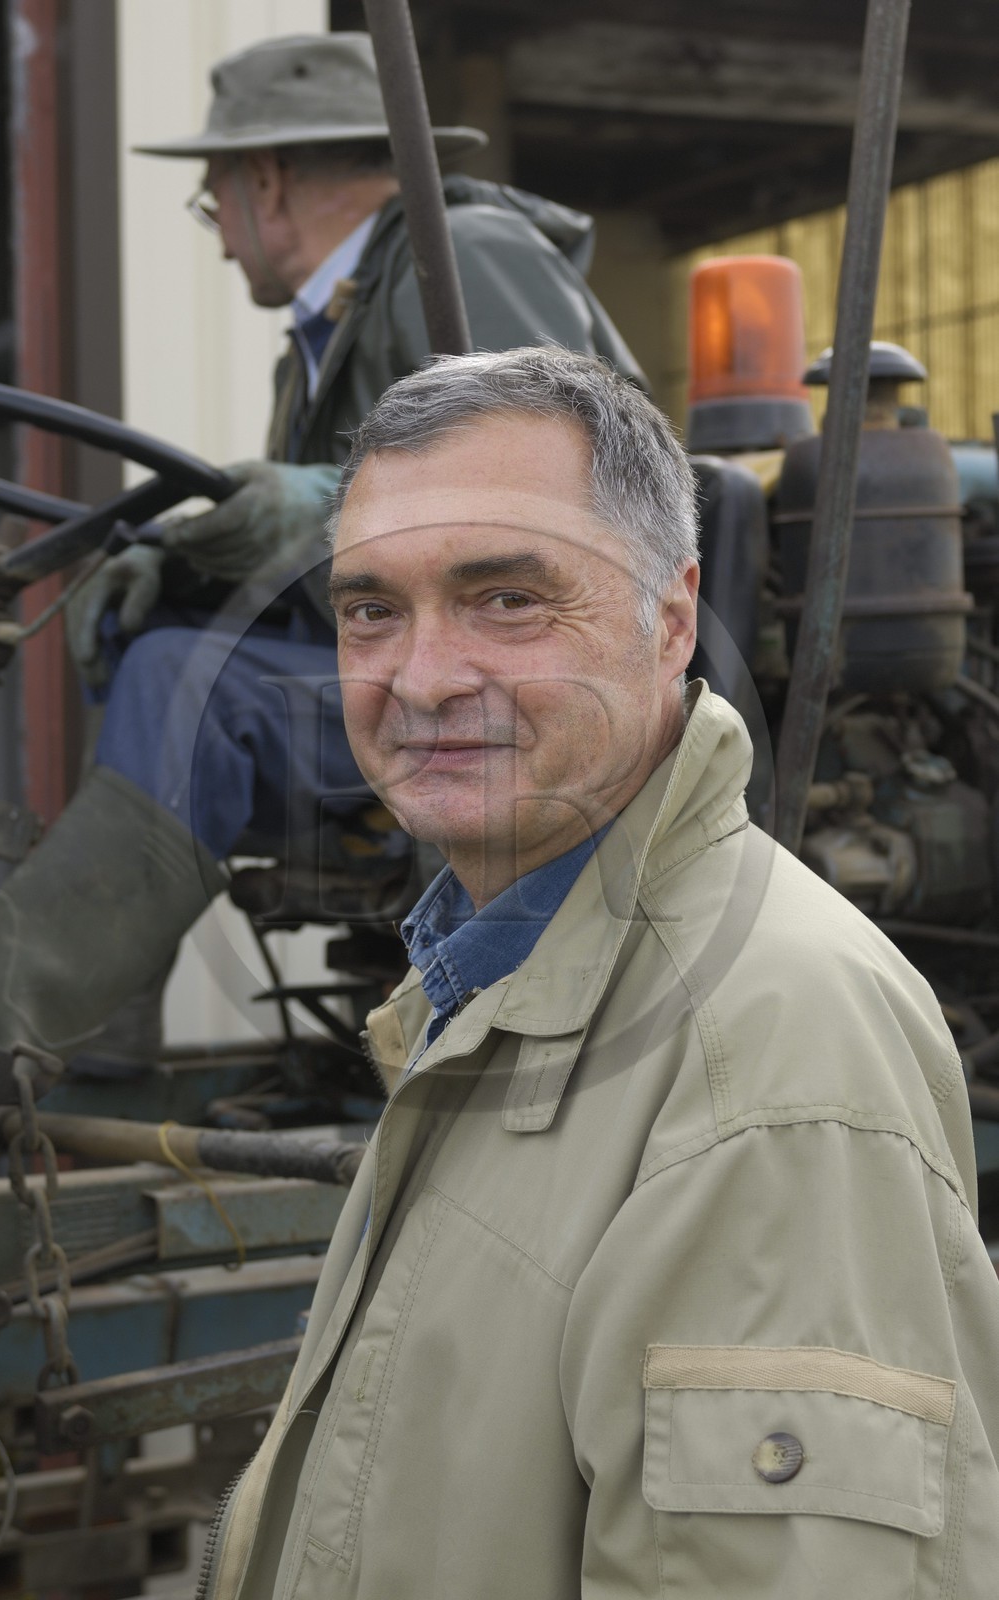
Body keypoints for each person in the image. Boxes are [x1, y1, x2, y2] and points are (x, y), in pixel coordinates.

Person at [198, 346, 999, 1599]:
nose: (421, 677)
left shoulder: (767, 1062)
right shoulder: (485, 980)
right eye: (371, 610)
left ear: (669, 621)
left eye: (507, 599)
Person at [0, 32, 643, 1085]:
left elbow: (557, 495)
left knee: (185, 684)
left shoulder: (464, 254)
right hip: (424, 672)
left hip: (524, 688)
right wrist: (184, 566)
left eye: (212, 201)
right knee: (161, 638)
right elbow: (341, 571)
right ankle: (74, 1047)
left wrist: (305, 505)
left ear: (264, 181)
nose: (222, 240)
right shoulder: (319, 340)